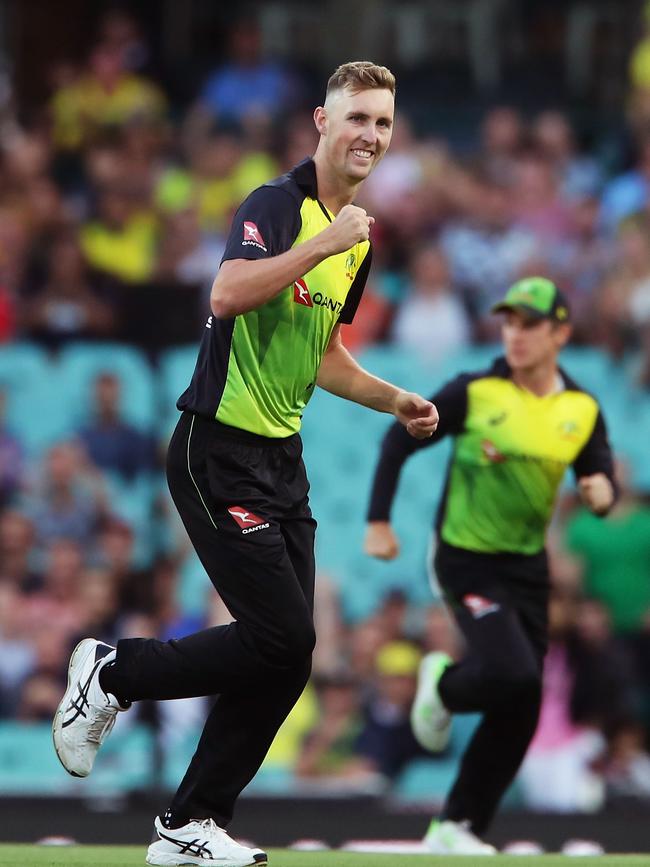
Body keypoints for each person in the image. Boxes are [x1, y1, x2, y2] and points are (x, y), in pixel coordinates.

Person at [52, 61, 439, 867]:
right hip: (214, 446)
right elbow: (227, 294)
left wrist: (394, 398)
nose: (370, 134)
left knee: (290, 653)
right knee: (282, 631)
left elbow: (324, 354)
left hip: (280, 458)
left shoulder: (355, 242)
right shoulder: (278, 205)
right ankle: (113, 670)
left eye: (383, 123)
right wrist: (324, 240)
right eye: (357, 117)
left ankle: (189, 823)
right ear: (321, 123)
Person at [365, 276, 616, 855]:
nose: (516, 334)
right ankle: (444, 685)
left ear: (560, 333)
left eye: (530, 324)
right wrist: (379, 521)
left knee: (522, 705)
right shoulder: (475, 392)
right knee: (515, 675)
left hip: (528, 568)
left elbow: (597, 470)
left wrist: (601, 491)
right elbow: (399, 439)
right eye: (508, 322)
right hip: (465, 558)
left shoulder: (579, 408)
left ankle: (458, 826)